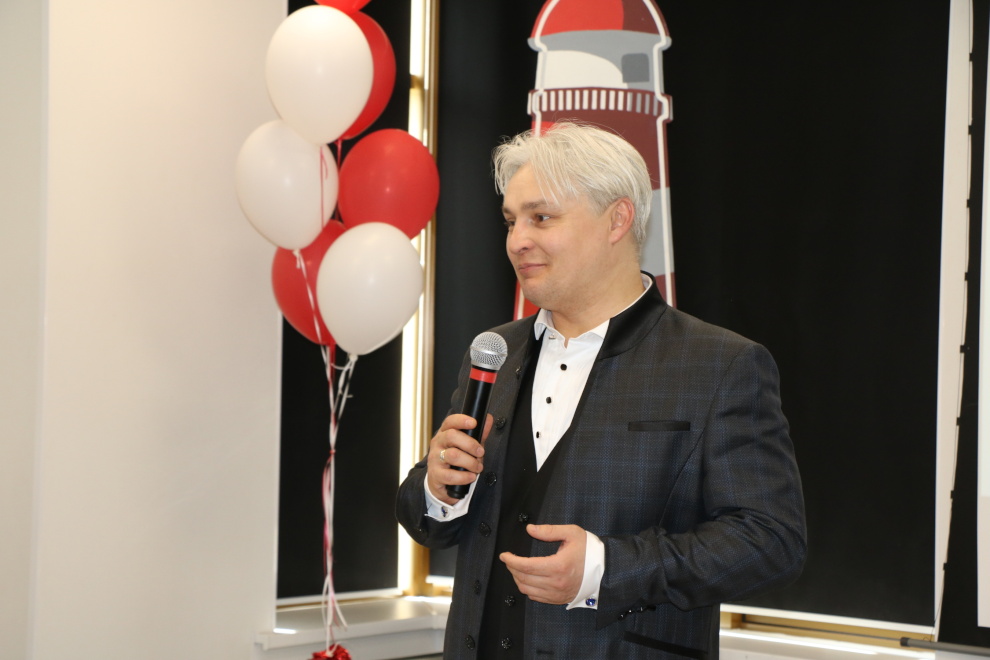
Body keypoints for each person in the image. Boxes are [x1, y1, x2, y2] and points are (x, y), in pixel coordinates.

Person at [396, 121, 806, 659]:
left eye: (541, 217)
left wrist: (605, 570)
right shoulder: (495, 351)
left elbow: (771, 542)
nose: (517, 241)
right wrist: (437, 487)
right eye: (511, 221)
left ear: (618, 219)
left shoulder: (720, 364)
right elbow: (428, 523)